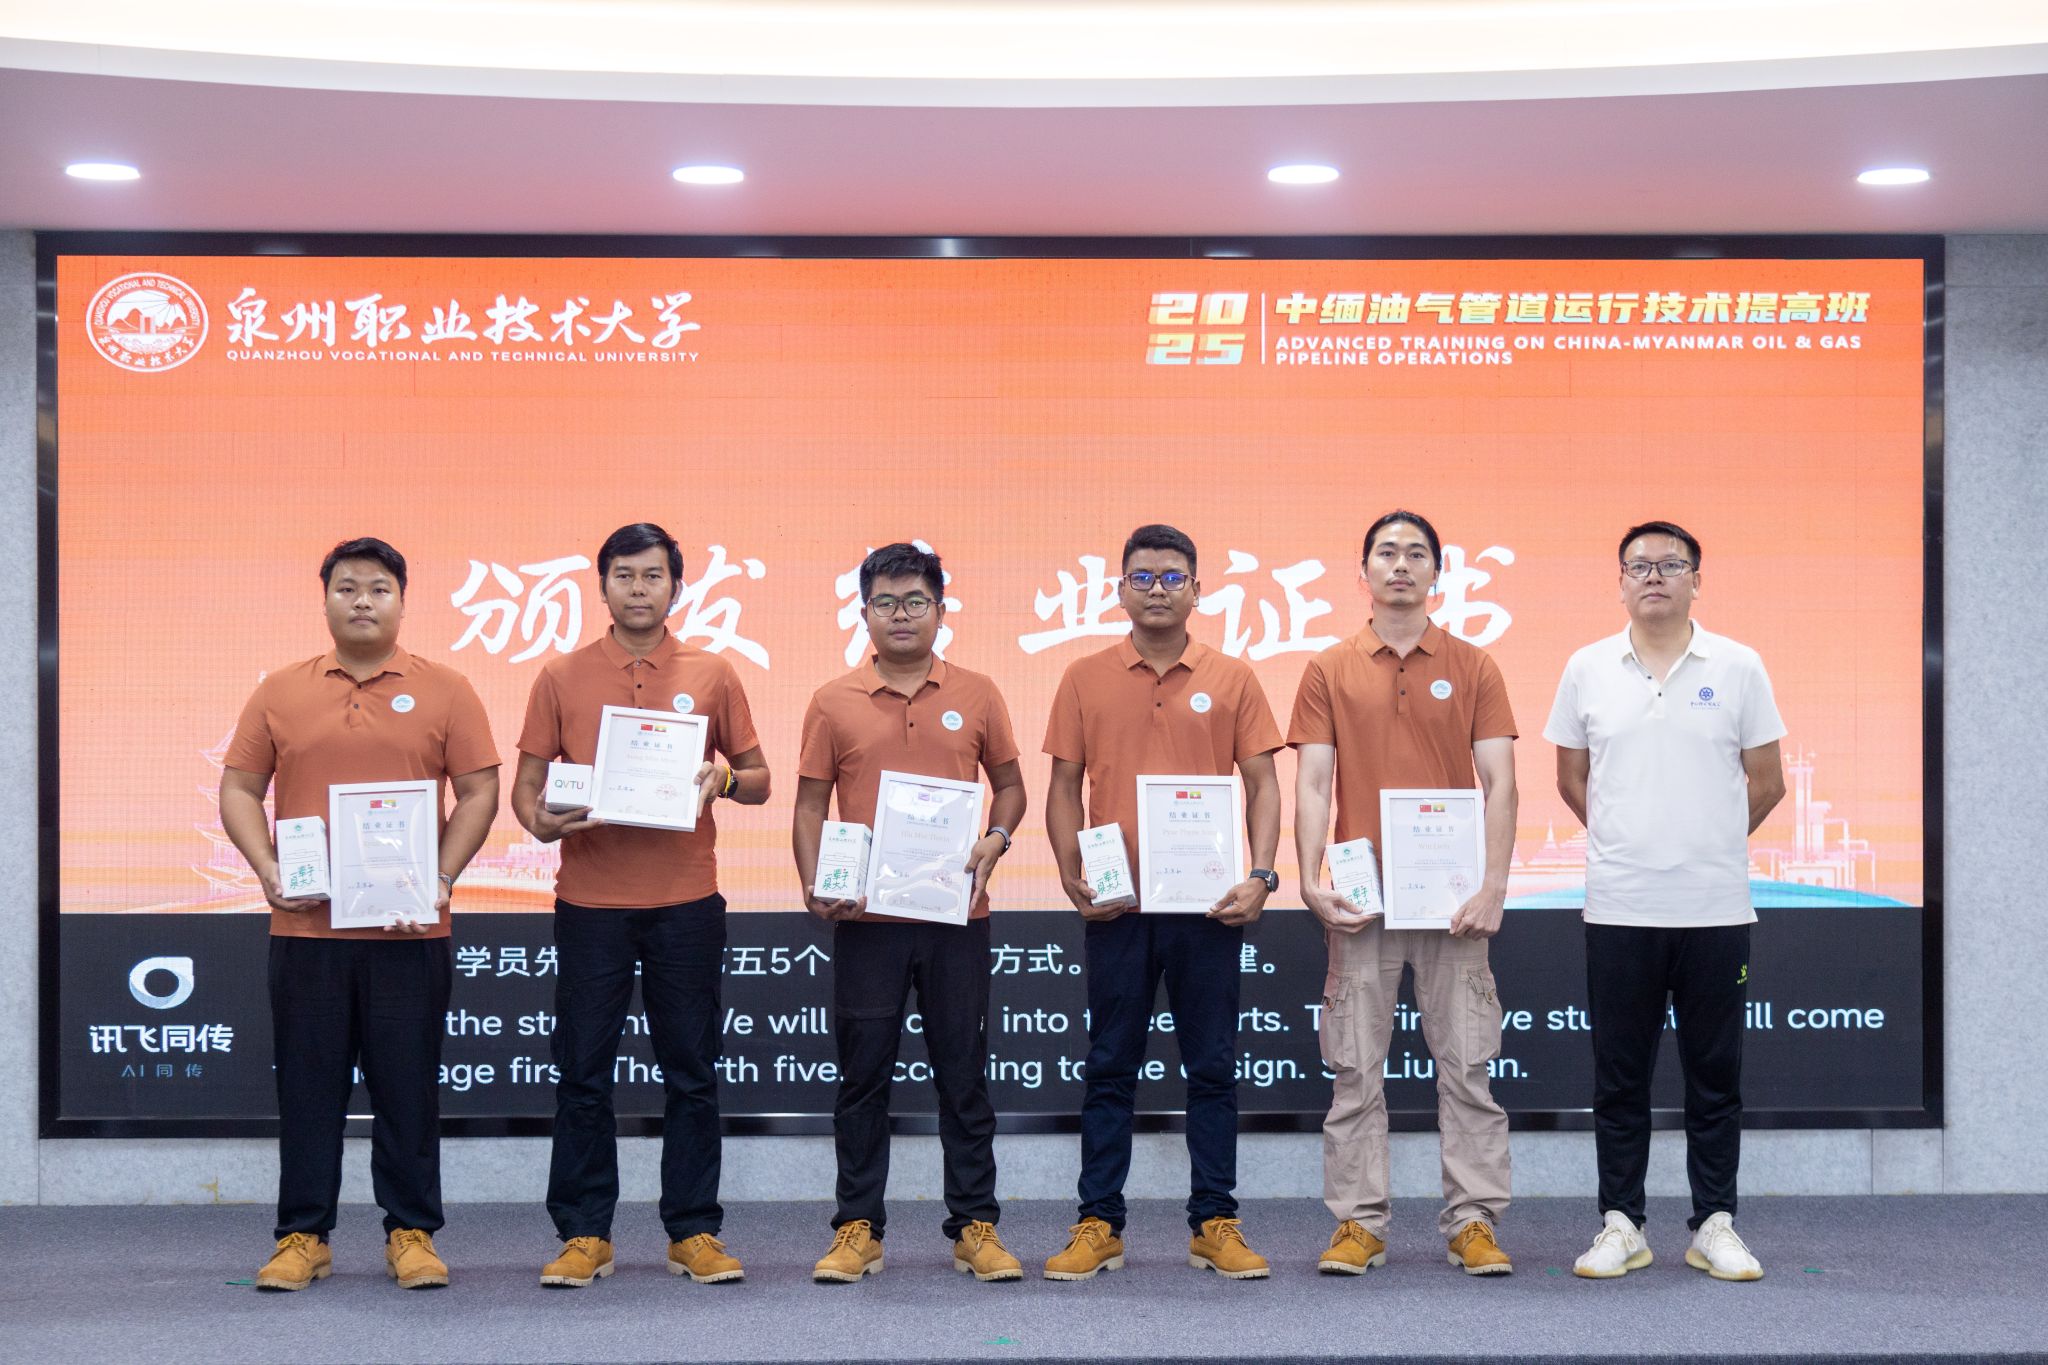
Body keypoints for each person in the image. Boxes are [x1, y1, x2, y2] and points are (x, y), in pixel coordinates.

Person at [221, 536, 501, 1293]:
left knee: (407, 1087)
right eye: (347, 588)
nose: (363, 601)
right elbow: (240, 788)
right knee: (307, 1086)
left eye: (379, 588)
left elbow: (480, 791)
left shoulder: (447, 689)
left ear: (402, 601)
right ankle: (303, 1235)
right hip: (307, 927)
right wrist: (269, 870)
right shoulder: (280, 690)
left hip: (409, 928)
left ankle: (411, 1232)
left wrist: (441, 878)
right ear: (325, 601)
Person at [513, 522, 771, 1288]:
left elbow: (759, 778)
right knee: (582, 1072)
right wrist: (542, 821)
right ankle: (584, 1232)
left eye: (652, 575)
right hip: (590, 902)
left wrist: (722, 780)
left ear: (675, 587)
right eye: (624, 575)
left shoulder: (713, 673)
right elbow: (527, 791)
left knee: (691, 1070)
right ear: (602, 586)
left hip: (686, 901)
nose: (638, 588)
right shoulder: (560, 676)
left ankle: (693, 1229)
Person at [1040, 524, 1283, 1282]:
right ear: (1118, 589)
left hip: (1209, 908)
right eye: (1141, 577)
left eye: (1172, 578)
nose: (1156, 590)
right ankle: (1099, 1222)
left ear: (1197, 591)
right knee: (1110, 1065)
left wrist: (1263, 874)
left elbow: (1263, 784)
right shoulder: (1083, 677)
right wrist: (1070, 873)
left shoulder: (1233, 677)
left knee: (1212, 1067)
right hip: (1118, 908)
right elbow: (1062, 787)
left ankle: (1214, 1221)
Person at [1545, 520, 1786, 1283]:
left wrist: (1706, 845)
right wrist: (1632, 845)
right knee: (1620, 1079)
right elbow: (1571, 779)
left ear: (1696, 580)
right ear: (1620, 581)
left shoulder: (1740, 666)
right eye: (1639, 565)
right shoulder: (1586, 667)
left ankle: (1715, 1222)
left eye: (1671, 564)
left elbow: (1769, 781)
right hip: (1620, 908)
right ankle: (1622, 1223)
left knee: (1715, 1077)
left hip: (1716, 909)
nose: (1654, 575)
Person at [1290, 509, 1519, 1278]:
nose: (1400, 564)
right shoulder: (1328, 667)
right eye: (1386, 552)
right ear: (1363, 571)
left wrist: (1493, 885)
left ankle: (1474, 1220)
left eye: (1416, 553)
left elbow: (1501, 782)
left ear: (1436, 573)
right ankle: (1359, 1223)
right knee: (1356, 1070)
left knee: (1469, 1067)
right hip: (1364, 901)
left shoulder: (1474, 665)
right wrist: (1310, 876)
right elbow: (1314, 780)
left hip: (1454, 905)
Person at [793, 542, 1028, 1284]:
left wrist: (997, 837)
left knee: (964, 1076)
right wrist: (814, 882)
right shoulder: (833, 699)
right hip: (867, 922)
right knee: (862, 1079)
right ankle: (858, 1227)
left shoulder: (979, 693)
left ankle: (976, 1225)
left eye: (916, 601)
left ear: (940, 610)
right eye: (886, 602)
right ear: (864, 612)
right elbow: (809, 803)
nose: (901, 614)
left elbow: (1012, 787)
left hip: (958, 918)